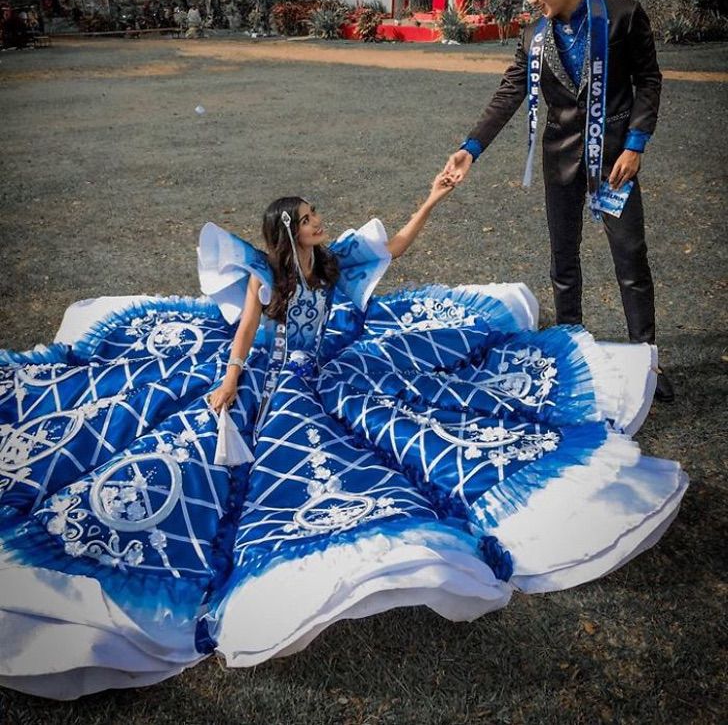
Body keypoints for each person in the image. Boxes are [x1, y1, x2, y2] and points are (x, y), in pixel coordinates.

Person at [0, 181, 687, 699]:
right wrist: (232, 380)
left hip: (334, 363)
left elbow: (396, 246)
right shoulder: (266, 276)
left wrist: (432, 198)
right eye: (309, 219)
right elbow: (244, 334)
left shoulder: (331, 262)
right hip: (276, 372)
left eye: (317, 218)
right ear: (286, 230)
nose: (320, 223)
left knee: (428, 402)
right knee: (237, 452)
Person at [444, 0, 674, 402]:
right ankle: (571, 352)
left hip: (615, 163)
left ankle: (647, 359)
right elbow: (510, 93)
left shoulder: (623, 16)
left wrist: (635, 145)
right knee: (563, 262)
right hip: (559, 160)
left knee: (630, 257)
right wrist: (471, 147)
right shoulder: (533, 36)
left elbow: (648, 81)